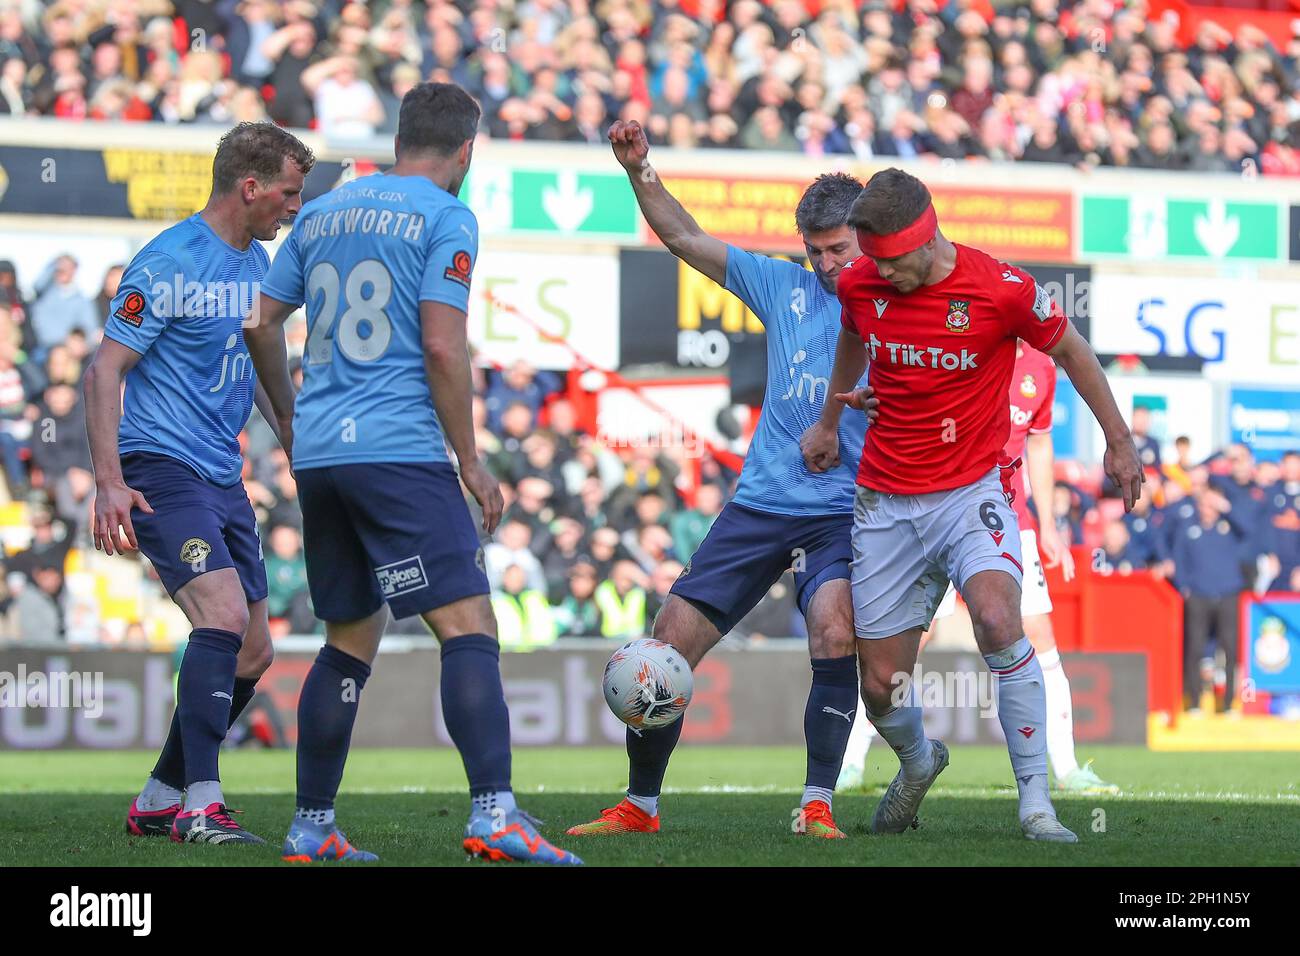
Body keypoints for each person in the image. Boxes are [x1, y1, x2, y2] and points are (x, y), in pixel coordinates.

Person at [245, 81, 581, 865]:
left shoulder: (324, 208)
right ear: (466, 150)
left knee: (348, 641)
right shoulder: (446, 215)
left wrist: (290, 418)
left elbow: (261, 319)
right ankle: (495, 814)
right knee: (469, 629)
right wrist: (471, 459)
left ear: (401, 140)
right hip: (398, 449)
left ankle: (310, 827)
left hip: (324, 455)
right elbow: (441, 345)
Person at [802, 167, 1142, 843]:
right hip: (885, 502)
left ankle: (1037, 807)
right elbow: (851, 333)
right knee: (881, 682)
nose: (879, 276)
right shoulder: (862, 281)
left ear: (928, 241)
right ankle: (919, 760)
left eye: (892, 263)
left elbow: (1073, 352)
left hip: (971, 491)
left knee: (996, 617)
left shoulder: (1002, 288)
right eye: (871, 262)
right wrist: (828, 420)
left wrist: (1120, 440)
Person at [565, 120, 878, 841]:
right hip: (760, 504)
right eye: (817, 251)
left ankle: (818, 804)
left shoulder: (896, 305)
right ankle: (640, 806)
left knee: (834, 631)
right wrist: (640, 171)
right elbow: (685, 238)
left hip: (842, 509)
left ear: (866, 239)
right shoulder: (782, 286)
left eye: (839, 249)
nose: (828, 265)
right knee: (666, 641)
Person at [84, 121, 312, 845]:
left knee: (253, 652)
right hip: (160, 466)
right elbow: (103, 371)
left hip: (222, 474)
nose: (293, 208)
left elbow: (269, 374)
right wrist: (108, 482)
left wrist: (300, 445)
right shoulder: (170, 261)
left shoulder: (259, 270)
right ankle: (202, 806)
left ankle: (159, 795)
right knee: (218, 617)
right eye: (287, 193)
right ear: (250, 188)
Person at [837, 342, 1120, 795]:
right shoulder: (958, 349)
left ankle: (1066, 769)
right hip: (937, 514)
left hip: (1011, 522)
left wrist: (1048, 523)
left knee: (1039, 637)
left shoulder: (1041, 368)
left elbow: (1039, 442)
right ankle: (850, 761)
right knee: (901, 646)